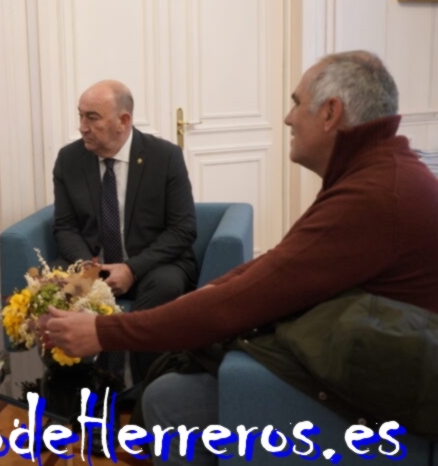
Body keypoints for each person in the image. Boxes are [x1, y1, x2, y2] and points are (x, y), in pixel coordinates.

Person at [46, 51, 438, 464]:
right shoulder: (379, 173)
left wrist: (105, 331)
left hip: (378, 382)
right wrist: (206, 295)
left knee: (169, 398)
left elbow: (253, 290)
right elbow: (276, 267)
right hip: (354, 354)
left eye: (296, 103)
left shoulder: (374, 195)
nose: (287, 118)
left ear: (330, 113)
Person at [52, 79, 198, 384]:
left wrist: (132, 268)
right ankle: (79, 388)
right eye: (80, 116)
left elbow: (183, 229)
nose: (82, 127)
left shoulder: (165, 157)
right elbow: (66, 226)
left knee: (165, 286)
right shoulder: (69, 159)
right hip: (93, 266)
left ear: (124, 120)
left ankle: (144, 387)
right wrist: (87, 268)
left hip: (152, 265)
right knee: (54, 293)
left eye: (92, 117)